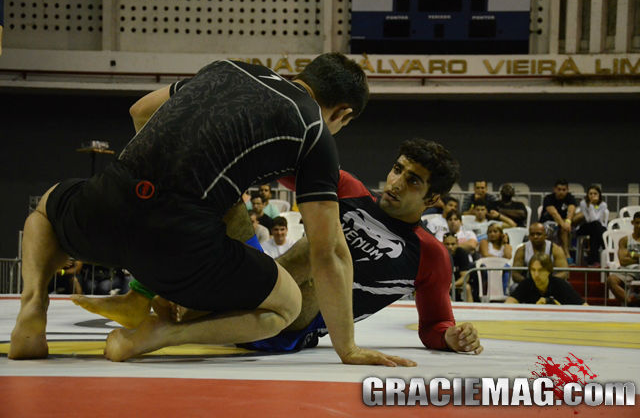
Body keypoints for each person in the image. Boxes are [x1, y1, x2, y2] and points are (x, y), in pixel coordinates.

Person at [10, 53, 413, 367]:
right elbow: (329, 251)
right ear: (342, 113)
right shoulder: (315, 130)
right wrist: (349, 348)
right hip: (178, 248)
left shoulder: (225, 69)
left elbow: (139, 111)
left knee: (45, 209)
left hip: (108, 206)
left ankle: (32, 305)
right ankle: (161, 334)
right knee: (286, 306)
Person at [73, 139, 483, 355]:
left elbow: (434, 324)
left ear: (432, 200)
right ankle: (142, 296)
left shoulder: (430, 255)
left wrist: (451, 337)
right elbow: (276, 166)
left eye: (413, 181)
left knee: (321, 251)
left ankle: (184, 309)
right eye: (398, 169)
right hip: (261, 281)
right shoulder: (348, 189)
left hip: (293, 324)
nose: (396, 183)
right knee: (226, 192)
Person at [505, 253, 586, 305]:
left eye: (540, 270)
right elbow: (509, 302)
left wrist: (560, 308)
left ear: (549, 271)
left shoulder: (560, 285)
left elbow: (584, 306)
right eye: (533, 270)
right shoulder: (526, 284)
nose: (536, 274)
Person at [606, 212, 640, 306]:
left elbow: (627, 258)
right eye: (637, 223)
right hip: (629, 270)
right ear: (632, 223)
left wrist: (633, 255)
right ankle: (630, 303)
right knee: (611, 280)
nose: (639, 226)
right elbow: (623, 261)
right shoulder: (624, 240)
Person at [539, 179, 578, 260]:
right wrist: (563, 224)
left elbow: (571, 210)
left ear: (567, 190)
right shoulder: (548, 198)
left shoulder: (570, 198)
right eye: (559, 189)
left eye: (564, 190)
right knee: (562, 227)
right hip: (548, 224)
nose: (561, 192)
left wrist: (567, 222)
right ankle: (565, 255)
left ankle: (566, 255)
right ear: (554, 189)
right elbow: (554, 213)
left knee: (575, 219)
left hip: (564, 224)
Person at [573, 185, 608, 265]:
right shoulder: (583, 203)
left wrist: (592, 206)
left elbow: (597, 219)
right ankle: (606, 248)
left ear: (599, 195)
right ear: (587, 195)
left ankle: (593, 260)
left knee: (595, 232)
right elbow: (589, 219)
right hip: (585, 227)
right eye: (590, 194)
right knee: (597, 228)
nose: (592, 196)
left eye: (595, 194)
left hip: (595, 228)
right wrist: (591, 205)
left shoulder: (603, 205)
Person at [442, 233, 475, 303]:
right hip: (442, 284)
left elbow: (465, 277)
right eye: (447, 244)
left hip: (457, 283)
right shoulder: (439, 254)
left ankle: (471, 311)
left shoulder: (462, 253)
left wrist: (452, 285)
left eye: (453, 244)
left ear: (457, 243)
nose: (450, 247)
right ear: (442, 244)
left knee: (467, 287)